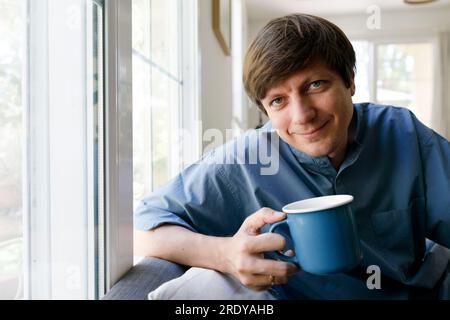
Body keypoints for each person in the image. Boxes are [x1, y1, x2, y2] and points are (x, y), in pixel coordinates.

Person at [134, 13, 450, 299]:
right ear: (265, 111)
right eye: (278, 101)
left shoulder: (401, 133)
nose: (302, 116)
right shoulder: (247, 160)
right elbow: (140, 229)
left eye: (315, 85)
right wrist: (226, 254)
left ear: (350, 81)